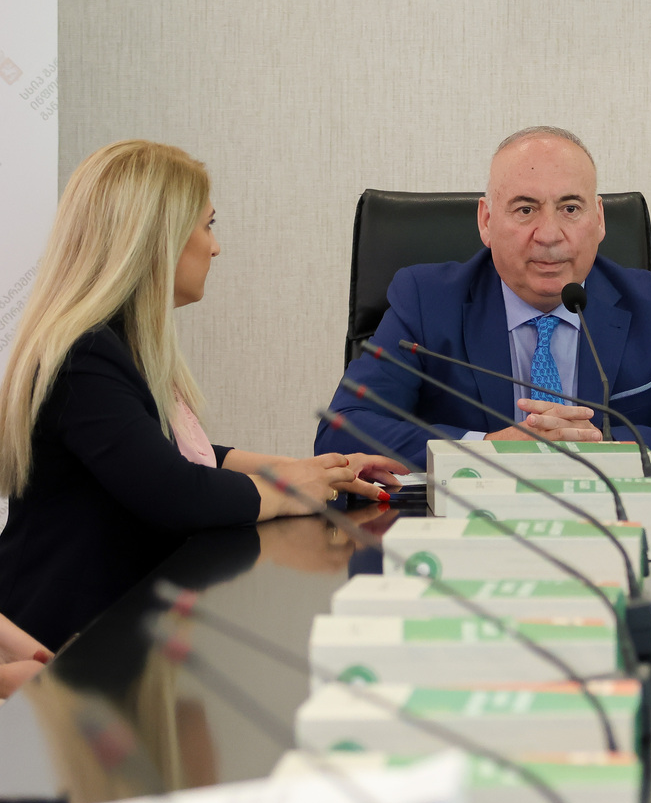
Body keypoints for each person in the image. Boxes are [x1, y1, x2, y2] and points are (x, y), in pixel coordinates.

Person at [0, 141, 402, 650]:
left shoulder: (118, 344)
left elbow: (170, 453)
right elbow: (175, 491)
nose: (216, 248)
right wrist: (292, 489)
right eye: (208, 225)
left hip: (115, 627)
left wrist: (313, 471)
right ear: (157, 240)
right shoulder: (86, 355)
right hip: (55, 646)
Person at [314, 126, 651, 495]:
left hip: (614, 537)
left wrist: (606, 448)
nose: (549, 234)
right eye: (525, 209)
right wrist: (489, 449)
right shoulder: (426, 301)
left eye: (570, 208)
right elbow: (341, 430)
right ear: (486, 221)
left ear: (599, 219)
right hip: (468, 540)